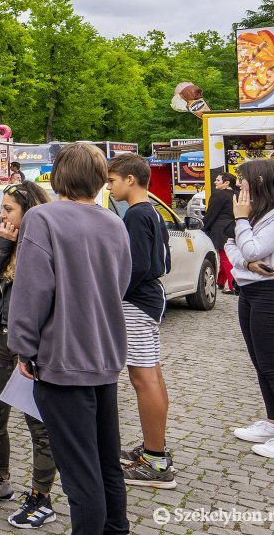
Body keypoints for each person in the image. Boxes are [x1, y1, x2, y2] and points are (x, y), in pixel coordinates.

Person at [8, 143, 132, 535]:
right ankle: (117, 528)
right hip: (104, 355)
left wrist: (23, 348)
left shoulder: (43, 219)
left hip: (62, 361)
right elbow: (121, 283)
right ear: (99, 180)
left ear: (59, 175)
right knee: (106, 461)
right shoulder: (113, 222)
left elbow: (31, 292)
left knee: (80, 473)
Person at [0, 181, 58, 528]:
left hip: (35, 347)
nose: (1, 214)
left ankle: (42, 497)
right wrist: (5, 244)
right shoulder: (4, 239)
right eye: (2, 208)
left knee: (38, 424)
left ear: (29, 210)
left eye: (8, 209)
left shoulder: (45, 242)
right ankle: (0, 478)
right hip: (2, 341)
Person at [107, 153, 177, 488]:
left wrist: (110, 295)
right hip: (148, 299)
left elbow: (133, 267)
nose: (109, 186)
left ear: (130, 179)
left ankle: (155, 460)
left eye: (113, 180)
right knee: (151, 373)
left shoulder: (136, 215)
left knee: (143, 377)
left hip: (136, 303)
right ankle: (155, 449)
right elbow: (161, 261)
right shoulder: (152, 211)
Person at [226, 158, 274, 460]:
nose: (238, 186)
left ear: (259, 183)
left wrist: (241, 221)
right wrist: (249, 263)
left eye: (242, 181)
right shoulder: (260, 215)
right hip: (252, 291)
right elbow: (231, 246)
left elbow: (252, 247)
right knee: (261, 363)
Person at [203, 172, 238, 293]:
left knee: (224, 257)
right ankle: (220, 282)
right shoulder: (237, 194)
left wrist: (203, 227)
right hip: (235, 227)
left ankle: (233, 286)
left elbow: (211, 214)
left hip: (221, 229)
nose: (215, 182)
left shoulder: (218, 195)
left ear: (226, 182)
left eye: (218, 180)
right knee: (225, 255)